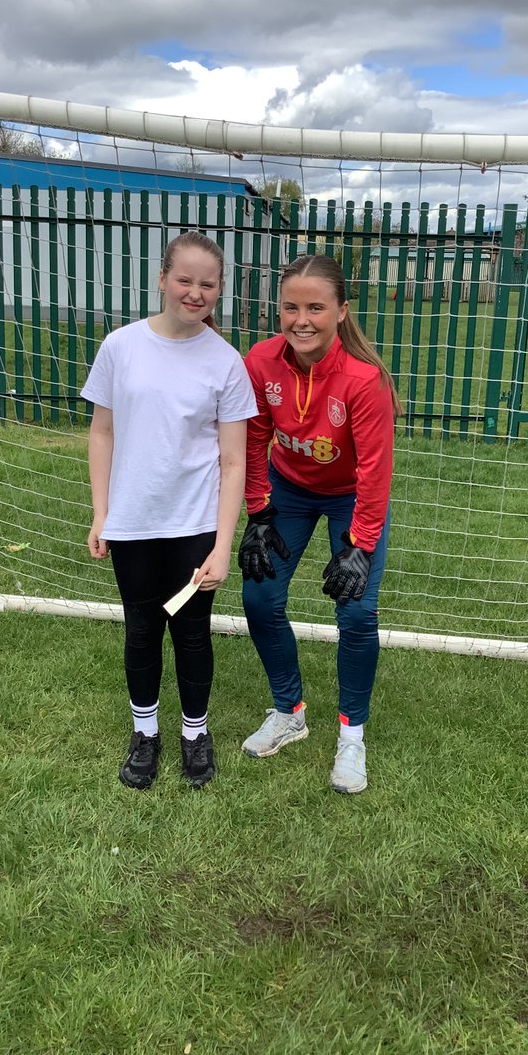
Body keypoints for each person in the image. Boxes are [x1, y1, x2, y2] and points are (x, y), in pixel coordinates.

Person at [82, 232, 257, 790]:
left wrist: (222, 544)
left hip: (194, 526)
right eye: (185, 280)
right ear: (162, 279)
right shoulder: (121, 346)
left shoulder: (226, 362)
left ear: (219, 291)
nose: (195, 292)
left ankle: (194, 734)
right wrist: (101, 512)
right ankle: (146, 732)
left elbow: (234, 463)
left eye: (208, 284)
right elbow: (102, 433)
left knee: (192, 633)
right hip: (133, 522)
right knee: (141, 629)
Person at [238, 254, 399, 794]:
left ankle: (352, 735)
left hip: (352, 496)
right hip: (290, 490)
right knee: (259, 599)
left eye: (315, 307)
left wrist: (361, 543)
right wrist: (259, 510)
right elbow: (254, 439)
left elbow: (376, 471)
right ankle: (290, 711)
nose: (301, 319)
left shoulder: (364, 380)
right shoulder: (260, 361)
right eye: (290, 307)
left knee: (356, 613)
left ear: (341, 312)